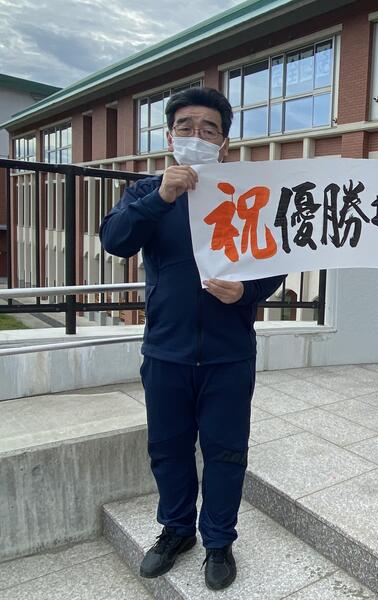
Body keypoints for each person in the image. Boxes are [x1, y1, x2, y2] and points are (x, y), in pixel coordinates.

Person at [100, 87, 286, 590]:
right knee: (168, 448)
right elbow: (115, 240)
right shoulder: (147, 192)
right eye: (186, 127)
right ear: (169, 137)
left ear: (224, 142)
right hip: (167, 351)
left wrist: (247, 293)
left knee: (226, 452)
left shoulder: (247, 195)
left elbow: (276, 262)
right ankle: (176, 531)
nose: (196, 136)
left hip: (229, 354)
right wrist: (161, 197)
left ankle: (219, 542)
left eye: (209, 129)